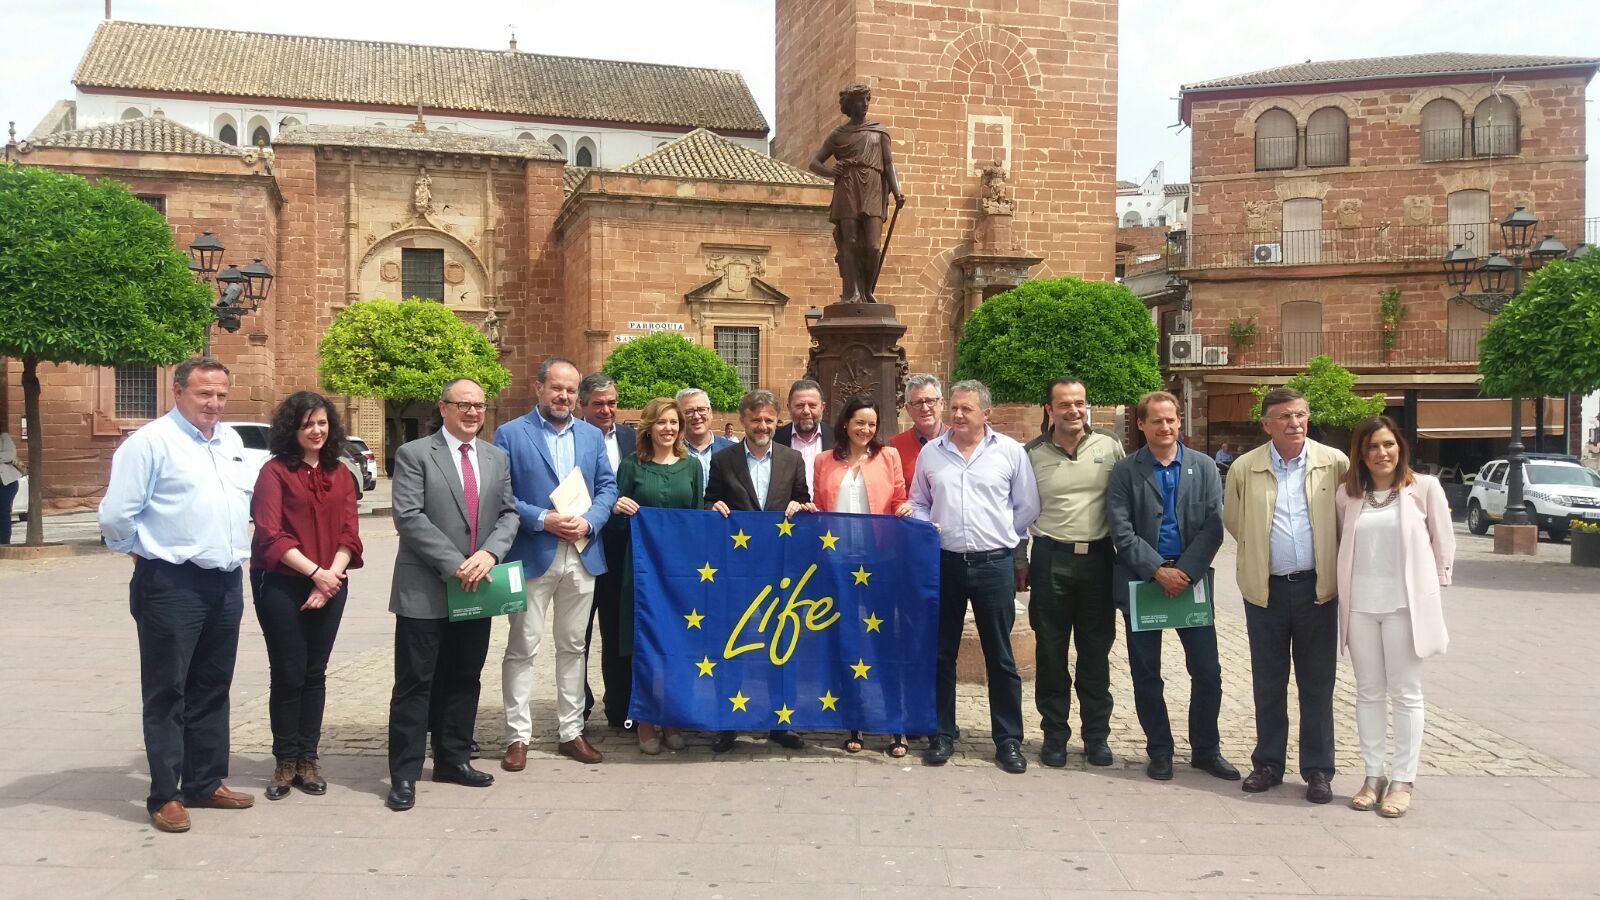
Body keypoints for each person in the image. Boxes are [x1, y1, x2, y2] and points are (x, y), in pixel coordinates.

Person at [98, 357, 256, 832]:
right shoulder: (149, 443)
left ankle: (205, 782)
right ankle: (164, 794)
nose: (214, 404)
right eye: (204, 394)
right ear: (178, 391)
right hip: (171, 582)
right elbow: (115, 514)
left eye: (221, 395)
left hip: (225, 579)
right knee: (168, 690)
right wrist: (139, 553)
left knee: (212, 686)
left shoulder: (229, 440)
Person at [385, 377, 520, 811]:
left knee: (464, 677)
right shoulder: (415, 454)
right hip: (425, 586)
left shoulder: (496, 457)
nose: (473, 413)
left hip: (478, 585)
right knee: (415, 683)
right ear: (443, 408)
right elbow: (408, 516)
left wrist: (488, 555)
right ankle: (404, 774)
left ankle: (453, 759)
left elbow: (509, 514)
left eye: (479, 405)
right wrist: (455, 563)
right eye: (463, 405)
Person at [1223, 387, 1349, 804]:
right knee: (1269, 683)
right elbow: (1236, 522)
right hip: (1266, 592)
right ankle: (1268, 764)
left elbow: (1346, 519)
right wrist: (1264, 558)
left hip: (1318, 591)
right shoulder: (1245, 468)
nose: (1294, 423)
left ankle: (1317, 770)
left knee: (1317, 685)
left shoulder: (1334, 463)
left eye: (1300, 415)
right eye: (1284, 416)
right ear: (1266, 424)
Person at [909, 380, 1039, 774]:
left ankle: (1008, 740)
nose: (958, 415)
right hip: (944, 563)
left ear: (987, 413)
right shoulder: (932, 453)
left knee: (1000, 656)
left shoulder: (1011, 453)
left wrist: (999, 535)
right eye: (955, 408)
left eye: (967, 409)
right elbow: (918, 500)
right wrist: (925, 524)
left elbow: (1026, 505)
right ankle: (943, 733)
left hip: (993, 565)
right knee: (942, 652)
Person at [1107, 391, 1238, 782]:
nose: (1165, 427)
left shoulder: (1204, 467)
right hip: (1142, 579)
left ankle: (1206, 749)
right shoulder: (1125, 471)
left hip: (1191, 580)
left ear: (1180, 422)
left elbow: (1214, 526)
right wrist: (1156, 571)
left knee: (1208, 671)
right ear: (1142, 425)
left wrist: (1186, 572)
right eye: (1157, 421)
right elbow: (1121, 529)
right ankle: (1159, 751)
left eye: (1172, 420)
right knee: (1146, 673)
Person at [495, 357, 618, 768]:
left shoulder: (591, 436)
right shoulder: (511, 434)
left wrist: (590, 521)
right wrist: (542, 519)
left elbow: (607, 486)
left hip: (582, 553)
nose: (563, 396)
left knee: (574, 645)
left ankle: (571, 732)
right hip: (533, 552)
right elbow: (503, 493)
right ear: (538, 388)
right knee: (523, 646)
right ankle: (518, 737)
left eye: (569, 390)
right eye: (556, 388)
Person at [1336, 416, 1454, 818]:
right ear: (1361, 454)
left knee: (1405, 693)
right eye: (1372, 447)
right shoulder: (1347, 496)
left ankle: (1403, 780)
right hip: (1360, 608)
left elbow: (1443, 541)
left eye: (1388, 445)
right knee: (1368, 692)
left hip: (1406, 607)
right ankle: (1373, 776)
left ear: (1400, 448)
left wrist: (1435, 586)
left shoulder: (1424, 489)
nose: (1381, 453)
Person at [250, 391, 363, 800]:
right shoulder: (274, 473)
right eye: (307, 424)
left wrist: (330, 576)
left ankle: (308, 758)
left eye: (321, 423)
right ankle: (284, 760)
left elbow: (350, 530)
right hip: (281, 580)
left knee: (315, 671)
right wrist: (316, 574)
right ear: (292, 429)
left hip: (331, 578)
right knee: (288, 670)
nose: (316, 431)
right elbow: (269, 532)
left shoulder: (341, 473)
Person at [1016, 377, 1125, 769]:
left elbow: (1125, 500)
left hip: (1099, 559)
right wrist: (1020, 559)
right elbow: (1019, 510)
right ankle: (1054, 735)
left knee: (1096, 653)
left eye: (1079, 402)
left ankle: (1096, 737)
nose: (1074, 410)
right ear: (1049, 409)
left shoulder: (1110, 446)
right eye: (1064, 404)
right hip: (1050, 559)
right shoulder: (1031, 454)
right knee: (1050, 652)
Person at [705, 388, 817, 752]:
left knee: (780, 644)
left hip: (782, 568)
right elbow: (710, 499)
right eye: (755, 419)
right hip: (736, 568)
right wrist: (714, 506)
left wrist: (801, 507)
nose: (762, 425)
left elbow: (803, 498)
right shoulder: (723, 460)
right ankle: (728, 721)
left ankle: (780, 721)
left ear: (776, 421)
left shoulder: (791, 459)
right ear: (743, 421)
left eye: (769, 419)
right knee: (733, 643)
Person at [811, 395, 914, 757]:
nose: (865, 429)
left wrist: (906, 508)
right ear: (845, 423)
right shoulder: (824, 460)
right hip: (838, 564)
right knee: (847, 642)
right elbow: (820, 506)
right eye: (859, 422)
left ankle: (894, 726)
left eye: (871, 423)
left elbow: (900, 498)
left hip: (879, 563)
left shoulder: (888, 457)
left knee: (885, 641)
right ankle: (853, 720)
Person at [610, 397, 704, 753]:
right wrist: (618, 509)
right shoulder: (632, 466)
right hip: (640, 570)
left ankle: (673, 717)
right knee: (643, 643)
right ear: (648, 426)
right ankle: (646, 720)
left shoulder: (692, 466)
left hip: (680, 572)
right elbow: (616, 521)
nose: (669, 429)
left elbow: (696, 520)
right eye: (662, 422)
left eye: (674, 422)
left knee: (678, 643)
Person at [807, 82, 906, 303]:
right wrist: (831, 172)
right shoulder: (838, 135)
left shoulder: (879, 131)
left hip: (872, 187)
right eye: (860, 101)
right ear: (849, 105)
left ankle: (868, 289)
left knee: (872, 246)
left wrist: (897, 191)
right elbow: (814, 163)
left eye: (867, 100)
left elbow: (889, 164)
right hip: (847, 187)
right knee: (849, 241)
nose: (865, 104)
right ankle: (852, 292)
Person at [578, 373, 636, 729]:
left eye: (611, 402)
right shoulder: (573, 437)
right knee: (577, 635)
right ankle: (577, 709)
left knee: (618, 632)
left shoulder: (631, 437)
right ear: (583, 405)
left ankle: (620, 707)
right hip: (581, 546)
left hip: (622, 550)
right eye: (598, 403)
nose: (606, 409)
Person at [889, 374, 944, 496]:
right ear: (908, 409)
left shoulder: (959, 440)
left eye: (930, 401)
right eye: (918, 403)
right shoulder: (895, 447)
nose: (925, 408)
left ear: (941, 403)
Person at [774, 378, 831, 495]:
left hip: (828, 512)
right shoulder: (774, 440)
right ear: (789, 407)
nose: (806, 411)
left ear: (822, 407)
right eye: (800, 405)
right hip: (788, 511)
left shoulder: (839, 439)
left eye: (812, 405)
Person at [677, 387, 734, 494]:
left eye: (701, 410)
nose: (696, 416)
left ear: (711, 413)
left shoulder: (733, 451)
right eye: (688, 412)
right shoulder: (668, 453)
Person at [0, 423, 22, 545]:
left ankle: (4, 544)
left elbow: (9, 455)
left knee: (3, 514)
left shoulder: (4, 437)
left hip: (6, 483)